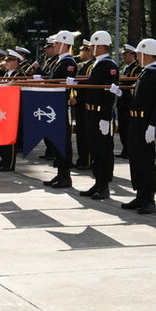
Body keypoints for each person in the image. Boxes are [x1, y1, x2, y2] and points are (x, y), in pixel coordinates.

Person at [121, 39, 156, 214]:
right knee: (136, 158)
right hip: (136, 121)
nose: (137, 56)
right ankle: (140, 194)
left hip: (146, 122)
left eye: (139, 53)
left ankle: (149, 199)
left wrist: (153, 124)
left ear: (147, 53)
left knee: (146, 160)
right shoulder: (145, 72)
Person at [79, 31, 119, 200]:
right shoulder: (97, 63)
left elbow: (109, 93)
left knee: (104, 150)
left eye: (93, 46)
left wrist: (105, 117)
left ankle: (104, 185)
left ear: (101, 46)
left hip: (101, 114)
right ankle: (97, 182)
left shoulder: (110, 66)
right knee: (94, 149)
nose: (91, 49)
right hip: (91, 112)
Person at [42, 30, 78, 188]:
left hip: (62, 106)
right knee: (57, 142)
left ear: (64, 44)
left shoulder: (68, 62)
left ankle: (66, 176)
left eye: (56, 43)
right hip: (54, 106)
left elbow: (64, 85)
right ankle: (59, 174)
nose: (54, 46)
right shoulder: (59, 61)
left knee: (63, 142)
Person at [0, 50, 25, 171]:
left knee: (10, 138)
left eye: (9, 60)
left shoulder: (19, 75)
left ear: (15, 61)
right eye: (6, 60)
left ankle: (9, 163)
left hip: (12, 109)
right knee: (3, 138)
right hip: (3, 109)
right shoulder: (6, 74)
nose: (6, 63)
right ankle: (3, 161)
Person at [70, 40, 95, 170]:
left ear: (89, 52)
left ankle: (87, 160)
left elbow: (88, 87)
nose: (80, 53)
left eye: (82, 50)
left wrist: (78, 99)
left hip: (85, 104)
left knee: (86, 134)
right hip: (79, 104)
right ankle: (82, 159)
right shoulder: (84, 65)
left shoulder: (91, 66)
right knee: (80, 134)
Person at [115, 44, 141, 159]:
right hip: (122, 102)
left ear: (132, 55)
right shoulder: (126, 68)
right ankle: (126, 149)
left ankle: (129, 150)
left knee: (128, 128)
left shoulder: (136, 68)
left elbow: (132, 86)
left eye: (125, 54)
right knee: (123, 128)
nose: (123, 57)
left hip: (129, 102)